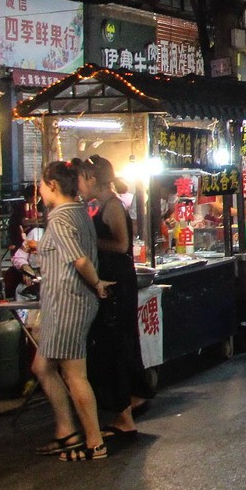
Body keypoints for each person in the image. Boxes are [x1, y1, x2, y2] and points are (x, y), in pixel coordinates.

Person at [31, 159, 115, 462]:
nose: (39, 191)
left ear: (52, 185)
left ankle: (94, 442)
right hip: (63, 303)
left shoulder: (62, 218)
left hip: (69, 303)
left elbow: (79, 260)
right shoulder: (78, 211)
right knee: (42, 367)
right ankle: (66, 431)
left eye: (41, 185)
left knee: (74, 375)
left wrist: (97, 283)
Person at [80, 156, 149, 439]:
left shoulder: (112, 206)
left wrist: (84, 243)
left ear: (94, 179)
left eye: (83, 178)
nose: (81, 185)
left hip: (118, 283)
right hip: (115, 282)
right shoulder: (103, 205)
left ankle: (125, 412)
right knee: (121, 342)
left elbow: (121, 245)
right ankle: (132, 397)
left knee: (117, 343)